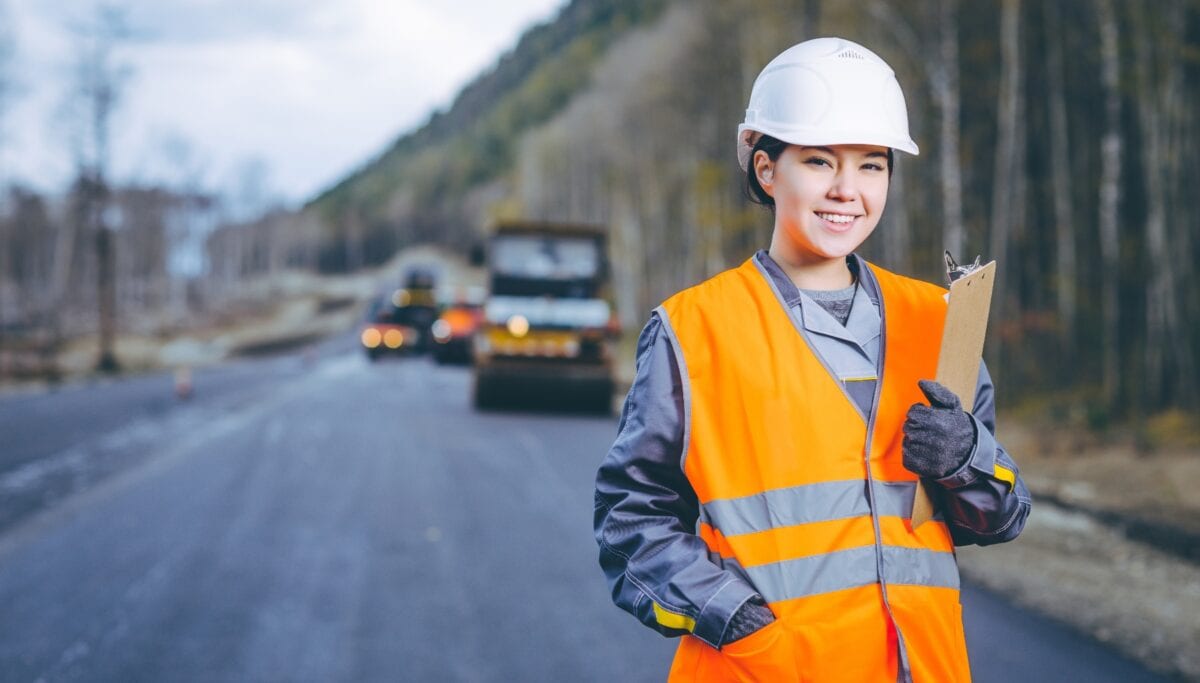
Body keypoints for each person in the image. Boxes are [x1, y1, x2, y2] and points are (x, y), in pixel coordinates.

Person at [593, 37, 1031, 682]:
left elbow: (1000, 518)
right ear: (766, 170)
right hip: (765, 670)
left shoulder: (939, 321)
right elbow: (631, 517)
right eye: (820, 161)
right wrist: (731, 614)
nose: (847, 191)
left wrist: (967, 458)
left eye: (872, 166)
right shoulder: (695, 330)